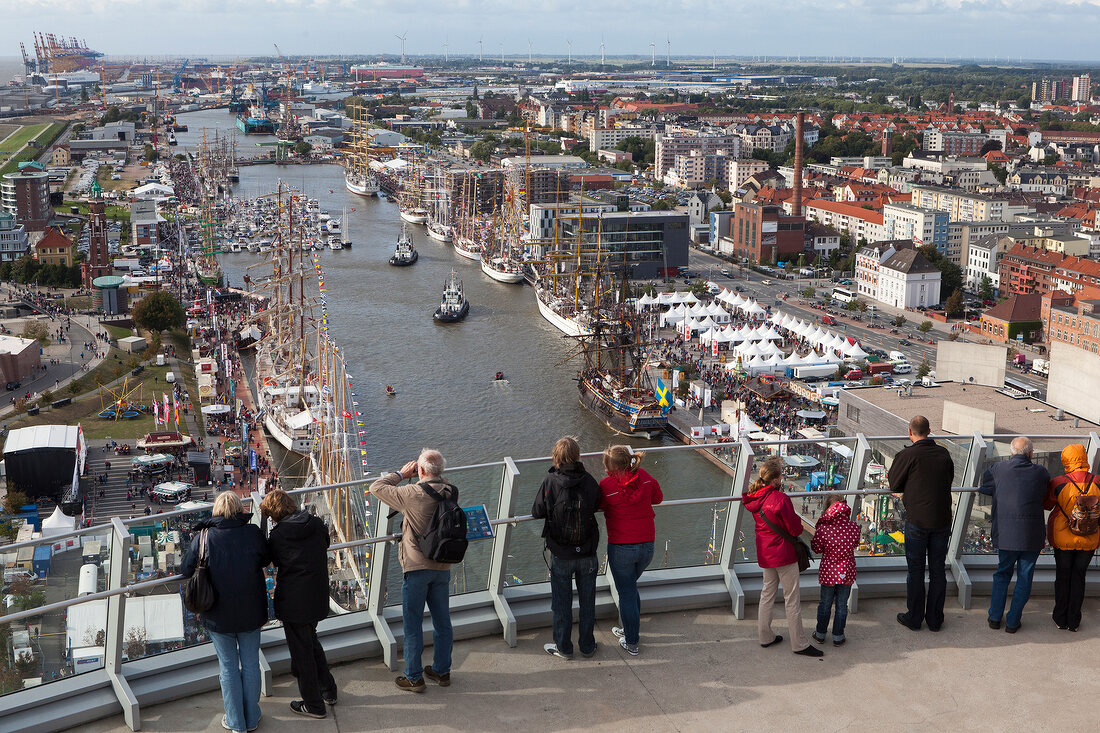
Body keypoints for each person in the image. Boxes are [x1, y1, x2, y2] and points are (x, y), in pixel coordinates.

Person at [180, 492, 269, 733]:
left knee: (228, 667)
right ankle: (251, 718)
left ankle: (236, 722)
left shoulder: (205, 537)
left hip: (217, 613)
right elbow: (266, 559)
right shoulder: (252, 533)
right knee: (251, 664)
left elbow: (186, 568)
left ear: (216, 512)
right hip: (251, 611)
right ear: (240, 510)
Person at [369, 449, 455, 692]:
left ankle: (414, 677)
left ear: (421, 470)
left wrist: (401, 473)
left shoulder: (411, 493)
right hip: (442, 565)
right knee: (442, 622)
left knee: (413, 624)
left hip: (416, 567)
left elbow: (376, 487)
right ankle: (442, 671)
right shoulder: (451, 490)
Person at [261, 489, 337, 718]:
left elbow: (266, 559)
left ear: (272, 513)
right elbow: (325, 542)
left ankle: (313, 704)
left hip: (294, 601)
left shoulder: (278, 536)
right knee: (311, 642)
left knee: (302, 653)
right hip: (317, 594)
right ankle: (328, 690)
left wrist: (263, 523)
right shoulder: (314, 523)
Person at [743, 456, 822, 657]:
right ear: (776, 480)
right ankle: (799, 644)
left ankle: (765, 637)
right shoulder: (780, 499)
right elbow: (795, 529)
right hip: (784, 555)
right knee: (792, 599)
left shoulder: (754, 498)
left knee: (767, 594)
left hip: (765, 553)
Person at [532, 436, 601, 660]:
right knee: (587, 601)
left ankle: (563, 647)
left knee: (561, 603)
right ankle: (588, 646)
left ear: (557, 457)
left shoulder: (550, 481)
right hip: (588, 551)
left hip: (561, 553)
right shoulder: (589, 480)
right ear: (577, 455)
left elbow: (537, 511)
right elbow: (598, 504)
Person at [888, 415, 954, 632]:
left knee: (915, 570)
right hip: (942, 519)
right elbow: (949, 479)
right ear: (929, 430)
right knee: (938, 570)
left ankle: (914, 618)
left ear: (910, 432)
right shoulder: (943, 453)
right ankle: (935, 620)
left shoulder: (909, 454)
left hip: (917, 520)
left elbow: (894, 484)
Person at [979, 436, 1050, 633]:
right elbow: (1044, 491)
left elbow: (985, 487)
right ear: (1031, 454)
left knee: (1002, 575)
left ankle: (994, 617)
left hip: (1006, 534)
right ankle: (1012, 622)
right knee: (1025, 578)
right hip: (1031, 536)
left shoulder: (998, 469)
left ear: (1011, 452)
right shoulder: (1041, 472)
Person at [599, 445, 663, 656]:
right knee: (630, 588)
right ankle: (628, 628)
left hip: (621, 547)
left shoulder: (607, 485)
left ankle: (632, 641)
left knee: (626, 592)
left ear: (611, 467)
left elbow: (599, 505)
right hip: (647, 545)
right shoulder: (643, 476)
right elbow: (658, 498)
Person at [1045, 444, 1100, 632]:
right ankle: (1074, 620)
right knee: (1079, 577)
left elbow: (1047, 504)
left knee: (1063, 576)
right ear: (1084, 458)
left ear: (1066, 460)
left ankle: (1060, 618)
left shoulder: (1059, 482)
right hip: (1090, 537)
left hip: (1063, 537)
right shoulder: (1098, 481)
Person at [810, 496, 859, 646]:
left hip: (828, 572)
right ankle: (838, 636)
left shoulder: (824, 528)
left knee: (825, 604)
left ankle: (820, 634)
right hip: (847, 571)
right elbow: (855, 543)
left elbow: (816, 548)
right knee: (842, 605)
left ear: (828, 509)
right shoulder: (853, 527)